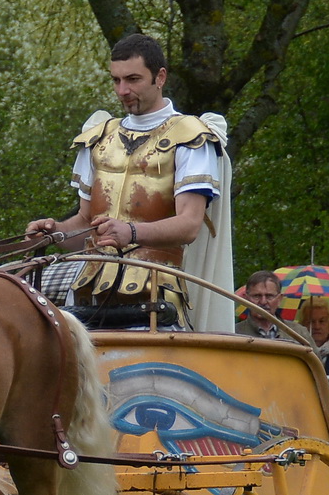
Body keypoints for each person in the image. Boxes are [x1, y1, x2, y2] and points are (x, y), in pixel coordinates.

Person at [26, 33, 235, 331]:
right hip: (89, 290)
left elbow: (189, 225)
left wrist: (131, 231)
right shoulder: (98, 137)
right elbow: (85, 224)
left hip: (155, 292)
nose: (122, 90)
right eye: (116, 80)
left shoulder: (190, 136)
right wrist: (55, 233)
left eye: (133, 79)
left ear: (159, 77)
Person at [236, 270, 301, 342]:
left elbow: (313, 353)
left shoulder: (298, 333)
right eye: (257, 296)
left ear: (279, 299)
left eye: (269, 296)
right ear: (246, 299)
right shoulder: (234, 333)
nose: (263, 302)